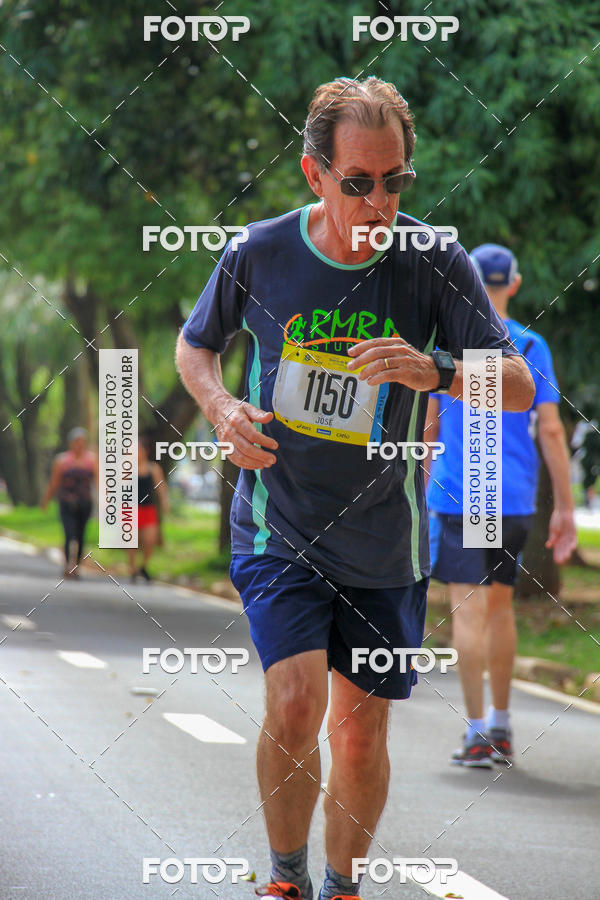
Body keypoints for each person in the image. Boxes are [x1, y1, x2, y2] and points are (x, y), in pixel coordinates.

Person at [176, 78, 534, 900]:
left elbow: (515, 383)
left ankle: (342, 885)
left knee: (362, 736)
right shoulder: (258, 252)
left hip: (384, 537)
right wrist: (222, 407)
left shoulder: (435, 263)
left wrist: (437, 369)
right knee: (296, 701)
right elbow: (195, 347)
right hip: (280, 521)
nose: (379, 200)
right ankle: (287, 880)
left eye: (396, 180)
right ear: (314, 175)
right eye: (358, 182)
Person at [426, 243, 577, 767]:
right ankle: (503, 726)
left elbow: (428, 429)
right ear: (512, 284)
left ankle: (475, 733)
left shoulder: (446, 343)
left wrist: (417, 494)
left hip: (462, 493)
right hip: (509, 496)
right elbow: (552, 430)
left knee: (468, 610)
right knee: (500, 606)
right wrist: (564, 507)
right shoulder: (530, 345)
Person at [41, 427, 98, 578]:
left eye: (82, 442)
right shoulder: (62, 460)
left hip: (85, 503)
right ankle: (68, 564)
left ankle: (77, 567)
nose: (79, 445)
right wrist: (46, 501)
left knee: (80, 535)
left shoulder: (91, 460)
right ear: (71, 443)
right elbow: (54, 482)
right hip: (66, 503)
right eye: (76, 441)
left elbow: (99, 482)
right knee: (69, 533)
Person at [127, 435, 169, 582]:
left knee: (150, 540)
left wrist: (165, 502)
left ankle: (143, 566)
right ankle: (132, 568)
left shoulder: (153, 468)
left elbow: (161, 487)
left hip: (148, 508)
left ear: (144, 451)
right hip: (130, 509)